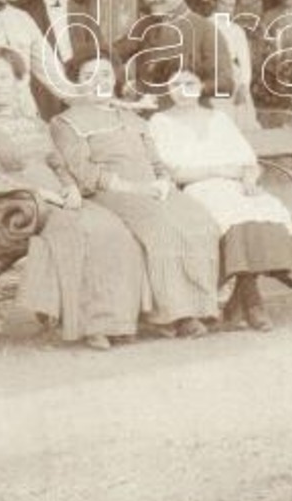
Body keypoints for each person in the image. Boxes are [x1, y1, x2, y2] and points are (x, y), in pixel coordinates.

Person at [0, 45, 147, 350]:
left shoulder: (33, 121)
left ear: (18, 81)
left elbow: (57, 163)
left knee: (113, 227)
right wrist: (42, 193)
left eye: (4, 77)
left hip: (56, 198)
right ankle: (89, 325)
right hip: (12, 207)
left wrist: (69, 187)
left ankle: (116, 319)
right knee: (78, 231)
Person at [51, 51, 222, 338]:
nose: (98, 81)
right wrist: (133, 188)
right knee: (163, 226)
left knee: (199, 220)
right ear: (77, 83)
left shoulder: (132, 118)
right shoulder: (66, 122)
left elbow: (156, 162)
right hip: (110, 192)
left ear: (115, 78)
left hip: (151, 189)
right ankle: (171, 314)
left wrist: (165, 181)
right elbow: (84, 172)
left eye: (105, 74)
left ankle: (198, 306)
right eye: (88, 76)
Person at [148, 69, 292, 332]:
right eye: (175, 84)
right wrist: (218, 171)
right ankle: (253, 301)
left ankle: (241, 299)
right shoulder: (160, 122)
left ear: (201, 86)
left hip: (235, 185)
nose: (183, 89)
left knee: (267, 210)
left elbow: (248, 161)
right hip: (195, 187)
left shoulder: (219, 118)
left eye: (189, 83)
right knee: (231, 219)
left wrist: (248, 181)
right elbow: (172, 172)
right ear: (167, 89)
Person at [117, 0, 234, 100]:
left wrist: (191, 88)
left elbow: (225, 83)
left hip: (189, 118)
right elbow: (106, 57)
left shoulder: (205, 30)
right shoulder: (143, 28)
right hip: (145, 118)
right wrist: (124, 85)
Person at [23, 0, 100, 119]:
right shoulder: (28, 15)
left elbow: (98, 51)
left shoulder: (84, 13)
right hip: (42, 91)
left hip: (79, 87)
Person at [209, 0, 261, 132]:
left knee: (237, 121)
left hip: (232, 77)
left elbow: (244, 61)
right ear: (214, 2)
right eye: (223, 4)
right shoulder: (204, 25)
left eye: (231, 6)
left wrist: (244, 85)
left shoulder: (236, 30)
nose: (226, 9)